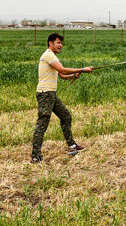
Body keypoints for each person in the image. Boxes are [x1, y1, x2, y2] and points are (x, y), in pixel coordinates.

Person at [31, 33, 93, 163]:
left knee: (66, 116)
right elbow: (63, 70)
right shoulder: (48, 55)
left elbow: (62, 75)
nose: (61, 45)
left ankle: (72, 145)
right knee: (42, 124)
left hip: (50, 94)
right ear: (50, 43)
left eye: (61, 43)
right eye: (58, 42)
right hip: (45, 94)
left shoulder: (52, 56)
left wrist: (74, 76)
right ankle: (35, 156)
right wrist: (82, 69)